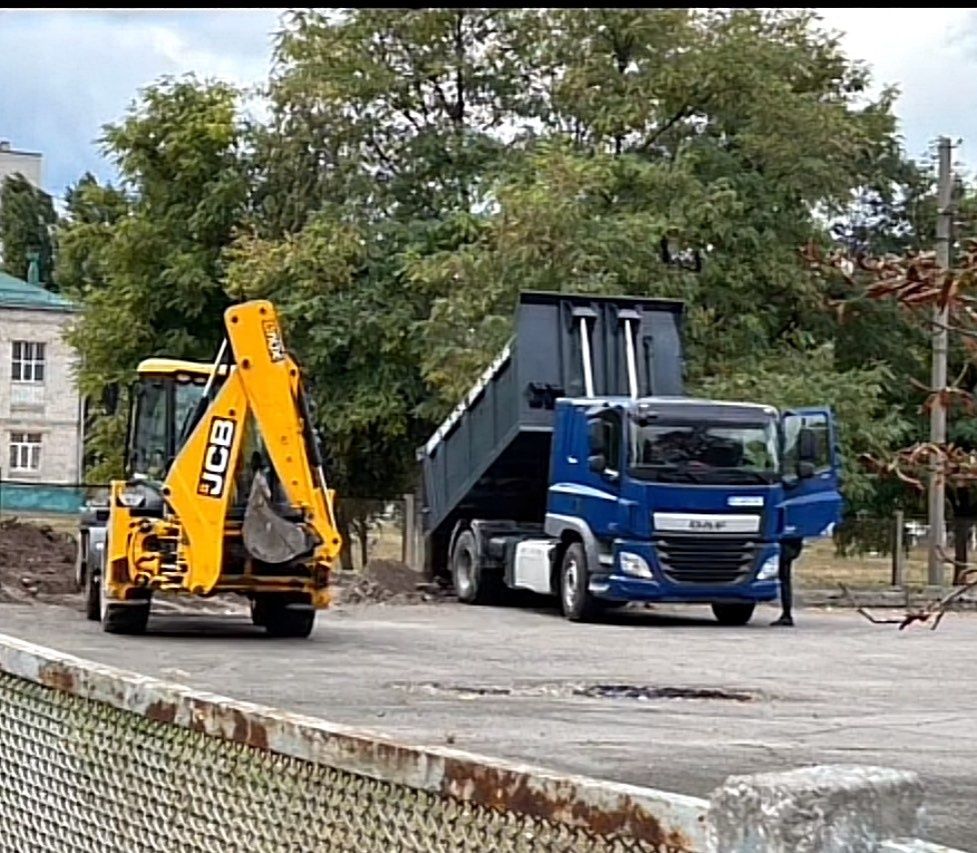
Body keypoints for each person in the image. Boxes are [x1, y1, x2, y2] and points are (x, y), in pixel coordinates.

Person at [771, 540, 801, 627]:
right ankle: (786, 614)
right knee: (785, 579)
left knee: (784, 579)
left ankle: (787, 614)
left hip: (786, 546)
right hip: (791, 545)